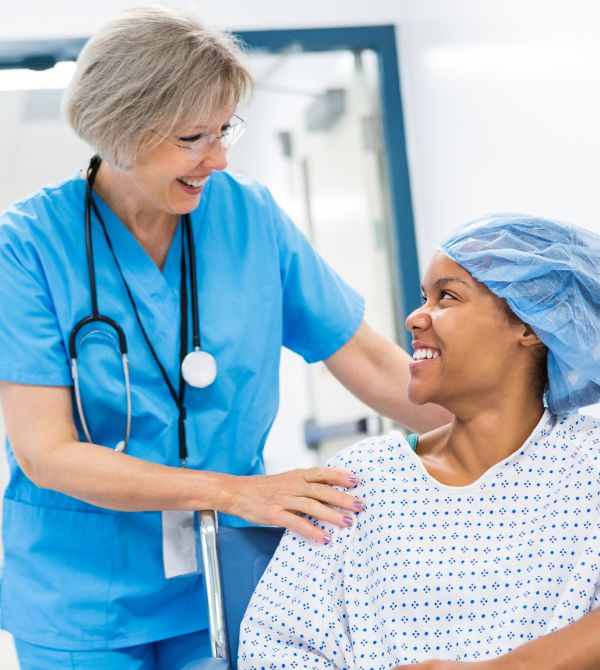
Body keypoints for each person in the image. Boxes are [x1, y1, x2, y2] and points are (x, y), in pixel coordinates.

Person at [0, 6, 448, 669]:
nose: (219, 157)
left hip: (227, 570)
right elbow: (48, 453)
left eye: (224, 130)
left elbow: (371, 363)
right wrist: (235, 492)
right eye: (193, 138)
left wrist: (510, 426)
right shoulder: (28, 248)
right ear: (122, 131)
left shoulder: (250, 218)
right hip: (82, 595)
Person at [239, 213, 600, 669]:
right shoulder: (358, 481)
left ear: (531, 324)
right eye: (423, 298)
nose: (414, 318)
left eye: (447, 297)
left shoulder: (589, 467)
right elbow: (272, 648)